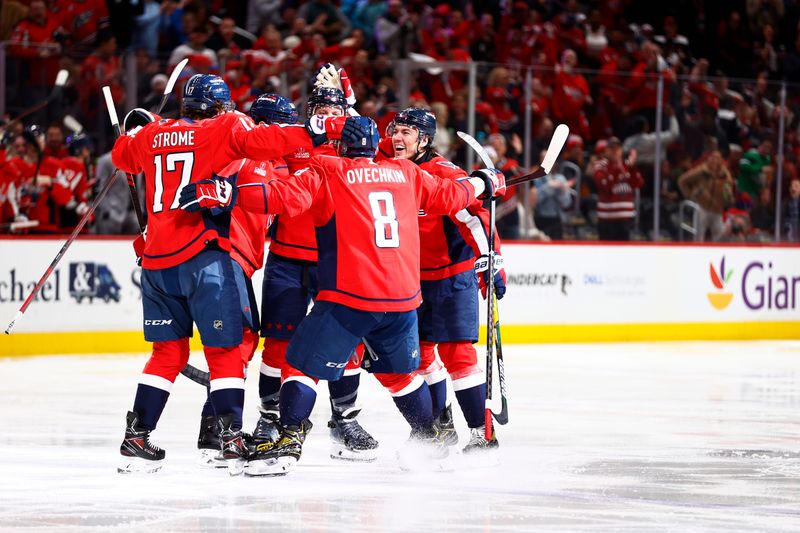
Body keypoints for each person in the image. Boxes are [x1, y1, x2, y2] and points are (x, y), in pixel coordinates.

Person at [111, 73, 366, 474]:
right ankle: (224, 438)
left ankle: (138, 436)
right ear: (224, 108)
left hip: (158, 260)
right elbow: (278, 155)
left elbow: (122, 155)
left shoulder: (153, 136)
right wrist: (336, 124)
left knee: (167, 353)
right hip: (210, 257)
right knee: (232, 348)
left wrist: (138, 132)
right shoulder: (231, 135)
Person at [225, 116, 506, 475]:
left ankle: (288, 440)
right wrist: (484, 180)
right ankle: (428, 440)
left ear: (341, 146)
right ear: (378, 146)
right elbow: (454, 196)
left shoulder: (328, 169)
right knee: (400, 376)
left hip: (350, 295)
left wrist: (229, 191)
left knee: (299, 364)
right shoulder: (406, 172)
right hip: (404, 298)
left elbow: (280, 198)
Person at [254, 87, 380, 462]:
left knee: (347, 344)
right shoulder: (294, 140)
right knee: (277, 345)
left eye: (335, 106)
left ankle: (345, 419)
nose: (327, 111)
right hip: (287, 260)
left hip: (338, 262)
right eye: (320, 106)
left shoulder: (354, 147)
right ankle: (269, 419)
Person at [381, 107, 506, 453]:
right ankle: (441, 426)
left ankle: (484, 435)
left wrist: (491, 263)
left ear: (424, 139)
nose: (397, 137)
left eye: (407, 132)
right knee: (418, 355)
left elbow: (476, 217)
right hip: (413, 281)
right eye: (396, 130)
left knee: (457, 354)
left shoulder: (443, 172)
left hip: (453, 277)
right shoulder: (392, 169)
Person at [677, 150, 734, 242]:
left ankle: (718, 254)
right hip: (702, 206)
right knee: (699, 235)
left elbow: (728, 190)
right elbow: (682, 181)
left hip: (717, 209)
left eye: (717, 158)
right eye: (713, 157)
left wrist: (728, 197)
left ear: (721, 160)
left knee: (719, 237)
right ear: (709, 159)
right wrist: (690, 194)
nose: (715, 160)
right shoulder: (701, 171)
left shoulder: (725, 175)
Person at [594, 137, 644, 241]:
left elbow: (638, 184)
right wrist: (618, 169)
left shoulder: (627, 166)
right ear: (606, 150)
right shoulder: (601, 166)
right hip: (607, 220)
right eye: (611, 148)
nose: (614, 151)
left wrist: (632, 167)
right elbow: (605, 186)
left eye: (617, 148)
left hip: (625, 219)